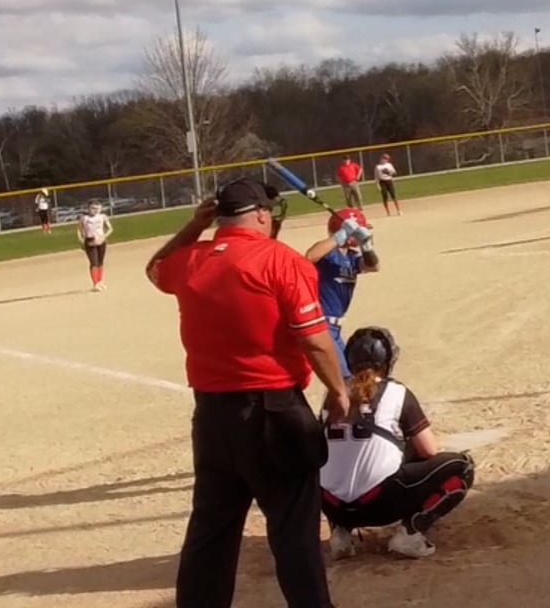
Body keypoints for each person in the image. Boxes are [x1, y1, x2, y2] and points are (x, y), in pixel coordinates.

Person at [146, 178, 349, 608]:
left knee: (211, 532)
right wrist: (339, 390)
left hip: (212, 416)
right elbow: (314, 341)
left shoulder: (192, 260)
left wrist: (193, 226)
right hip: (275, 410)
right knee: (294, 532)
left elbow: (156, 267)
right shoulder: (280, 259)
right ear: (259, 214)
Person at [320, 326, 475, 562]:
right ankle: (411, 532)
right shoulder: (397, 391)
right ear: (387, 361)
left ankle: (340, 533)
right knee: (462, 467)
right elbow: (428, 450)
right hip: (379, 505)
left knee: (336, 462)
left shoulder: (333, 395)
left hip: (333, 506)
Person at [305, 209, 378, 372]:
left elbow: (373, 266)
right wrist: (340, 236)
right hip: (321, 325)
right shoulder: (328, 254)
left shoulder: (352, 257)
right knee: (346, 378)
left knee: (351, 373)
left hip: (335, 329)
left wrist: (367, 247)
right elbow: (310, 256)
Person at [77, 200, 113, 291]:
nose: (95, 210)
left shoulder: (102, 217)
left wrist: (103, 236)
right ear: (88, 208)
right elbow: (79, 230)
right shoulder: (84, 218)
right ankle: (95, 283)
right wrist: (81, 241)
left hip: (101, 241)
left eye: (97, 208)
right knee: (94, 262)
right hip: (90, 241)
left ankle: (100, 281)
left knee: (100, 262)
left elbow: (110, 229)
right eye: (93, 208)